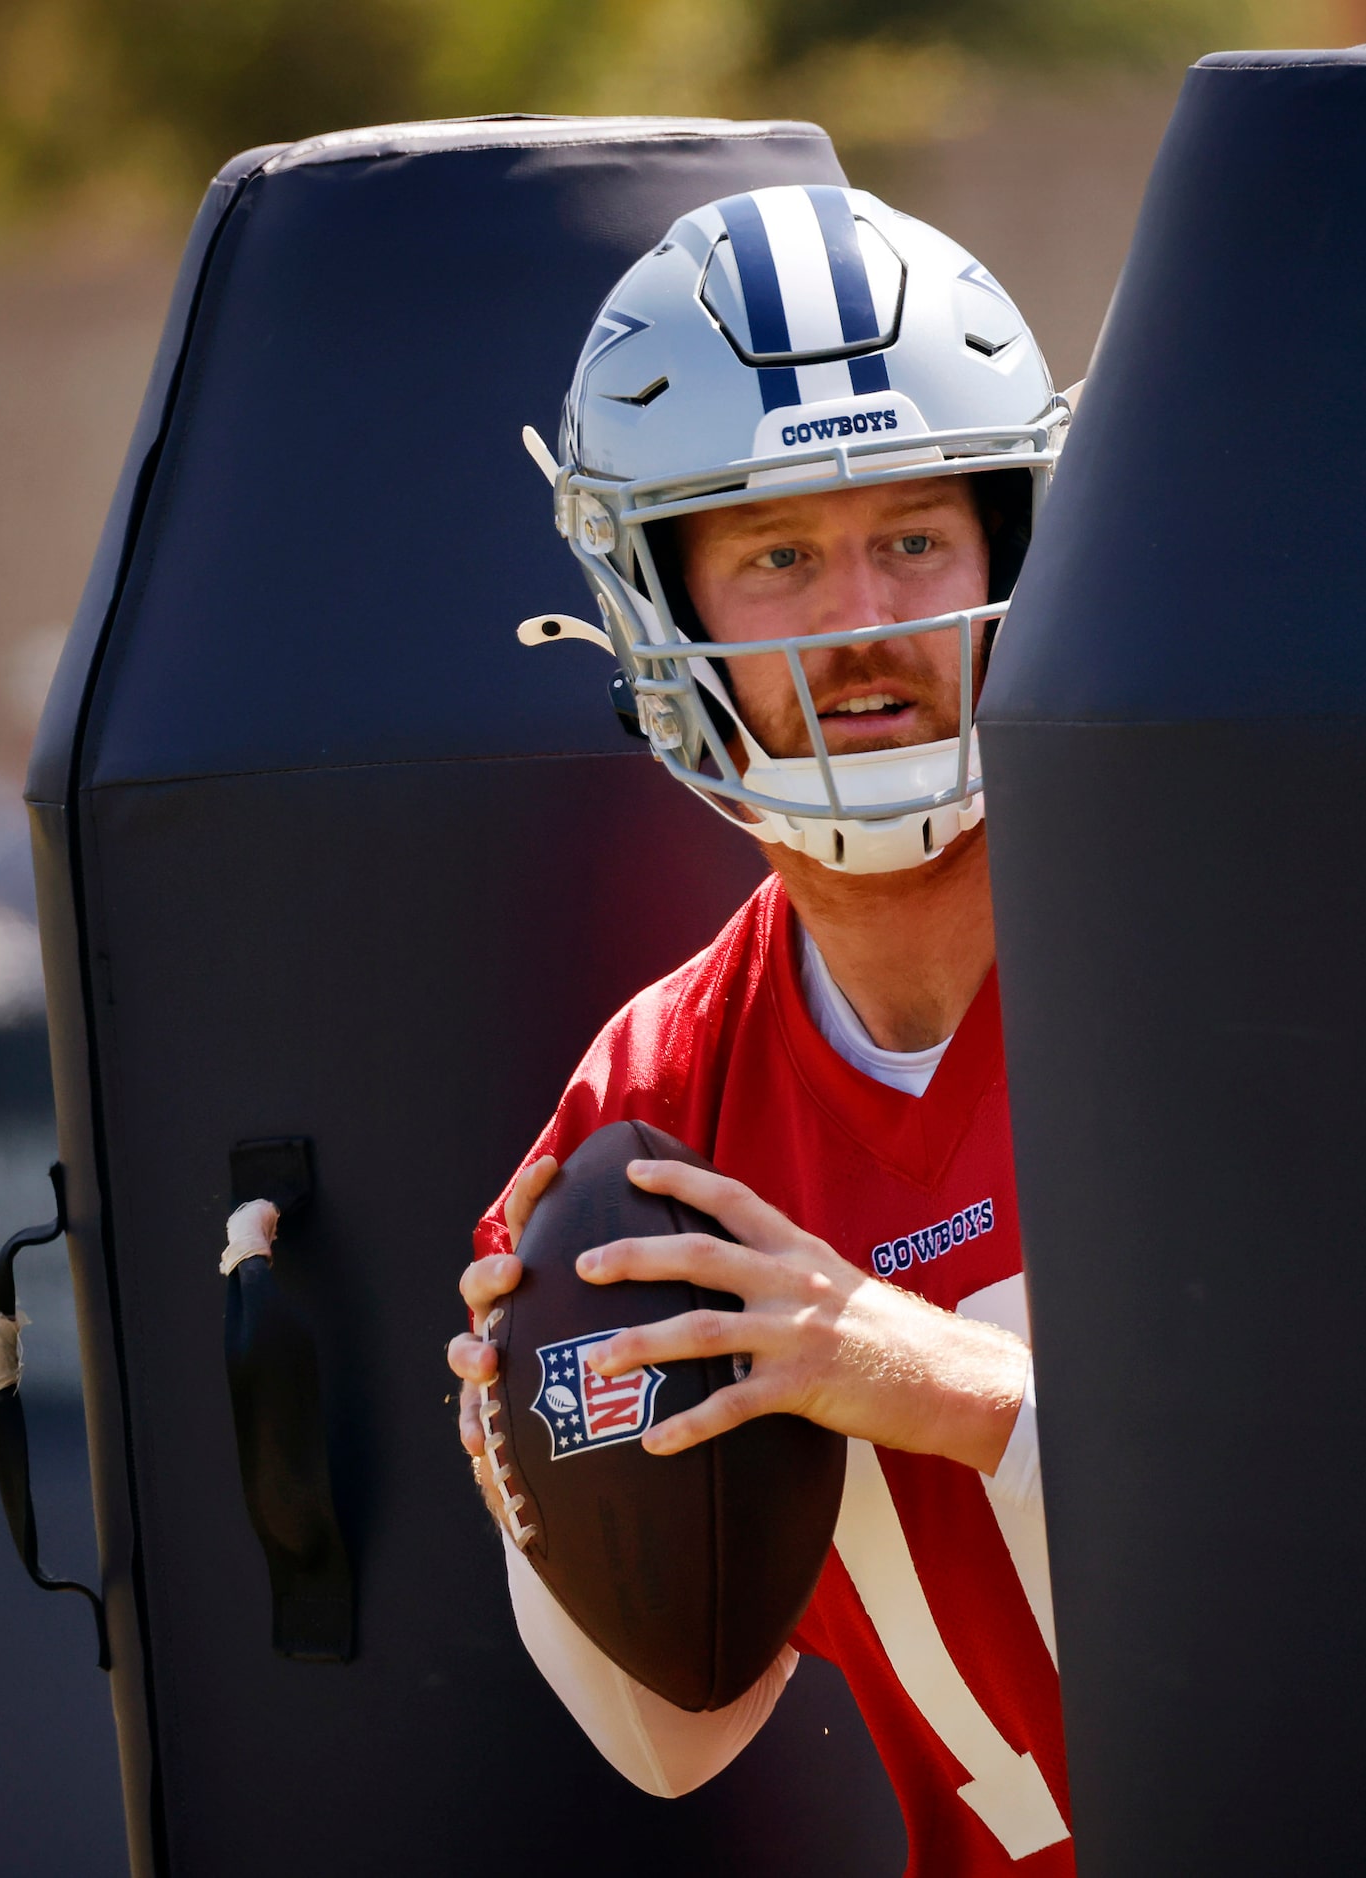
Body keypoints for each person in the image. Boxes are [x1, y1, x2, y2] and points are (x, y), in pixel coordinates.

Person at [443, 184, 1078, 1871]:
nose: (863, 613)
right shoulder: (652, 1102)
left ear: (1014, 547)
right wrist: (536, 1470)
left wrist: (929, 1373)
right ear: (665, 606)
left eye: (915, 535)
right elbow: (672, 1727)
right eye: (781, 553)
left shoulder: (1236, 948)